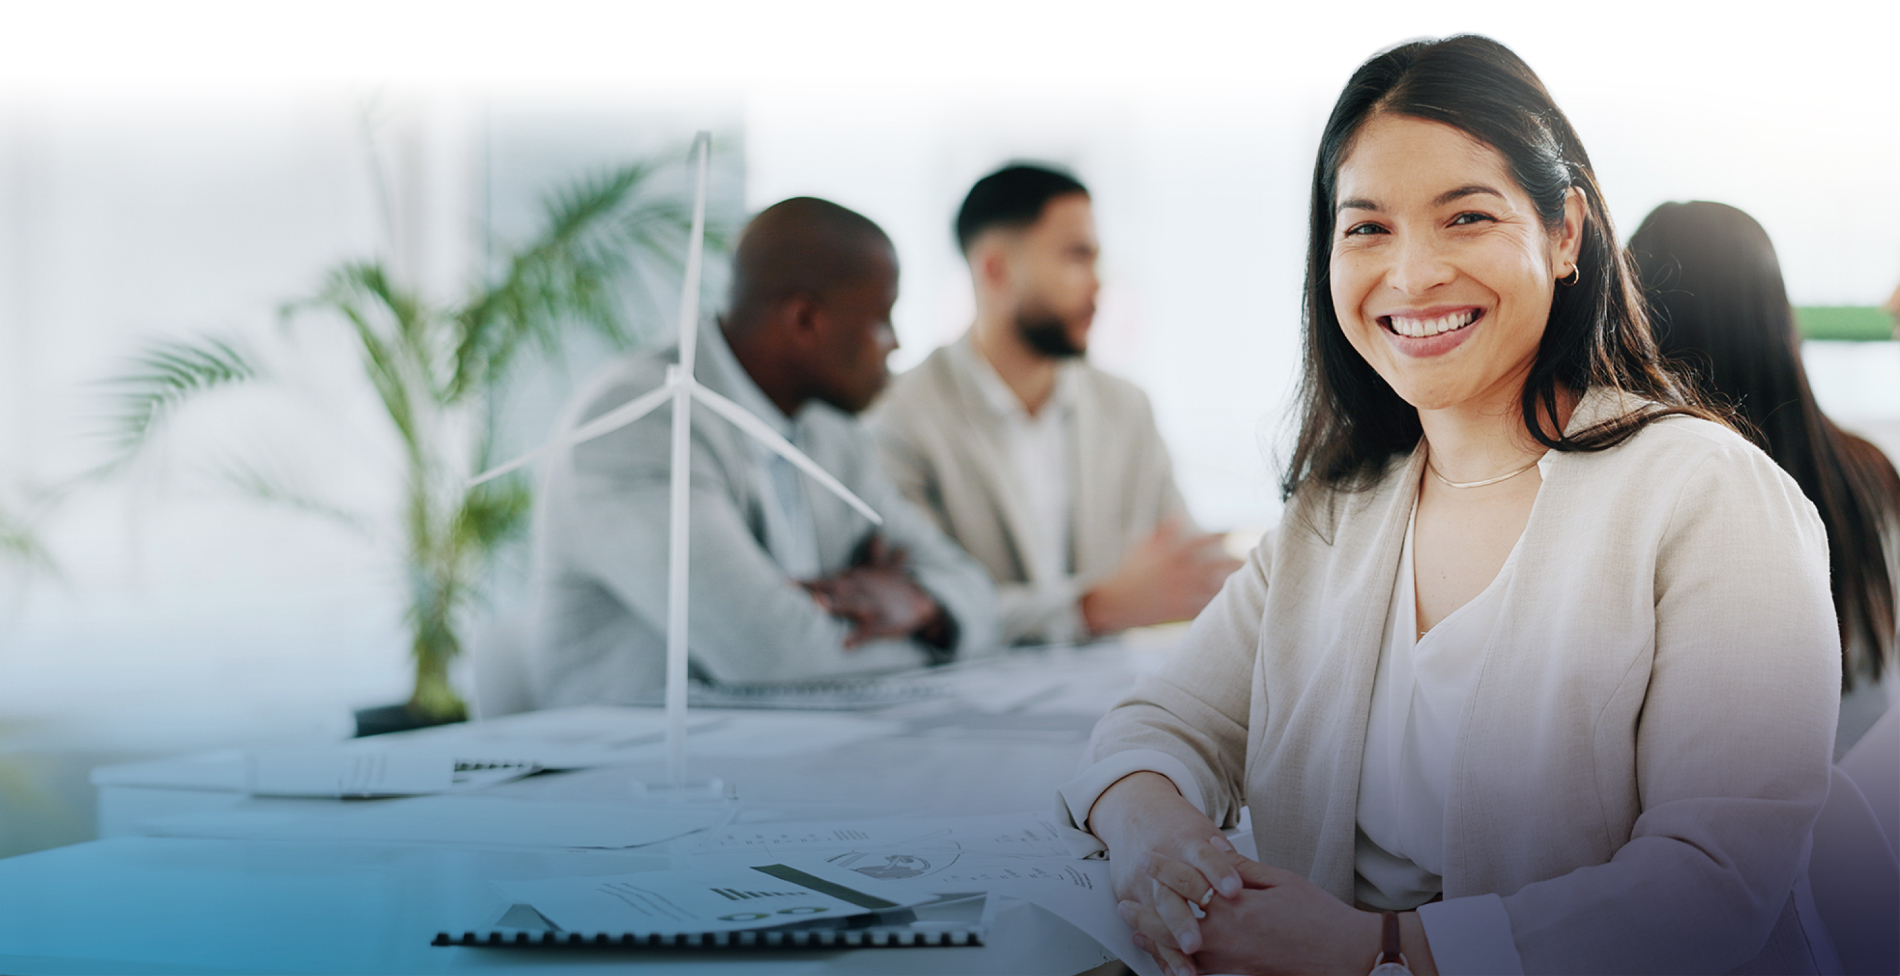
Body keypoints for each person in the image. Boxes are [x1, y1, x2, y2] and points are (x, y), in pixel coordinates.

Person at [1061, 36, 1839, 976]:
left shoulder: (1707, 495)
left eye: (1465, 217)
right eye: (1367, 227)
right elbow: (1156, 728)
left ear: (1564, 235)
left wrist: (1379, 949)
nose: (1413, 273)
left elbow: (1716, 886)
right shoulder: (1335, 512)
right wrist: (1158, 842)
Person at [529, 197, 998, 706]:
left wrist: (925, 608)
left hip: (799, 747)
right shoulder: (640, 422)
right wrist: (933, 640)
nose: (897, 344)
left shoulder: (831, 429)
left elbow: (972, 589)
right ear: (804, 321)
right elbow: (775, 658)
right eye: (882, 319)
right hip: (632, 769)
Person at [868, 164, 1240, 645]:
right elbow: (919, 601)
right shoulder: (898, 414)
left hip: (1112, 698)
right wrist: (1093, 608)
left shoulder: (1125, 407)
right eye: (1075, 257)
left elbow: (1184, 566)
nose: (1097, 285)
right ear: (995, 269)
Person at [1629, 200, 1900, 758]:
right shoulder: (1870, 470)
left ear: (1637, 317)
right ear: (1778, 312)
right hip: (1864, 808)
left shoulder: (1652, 489)